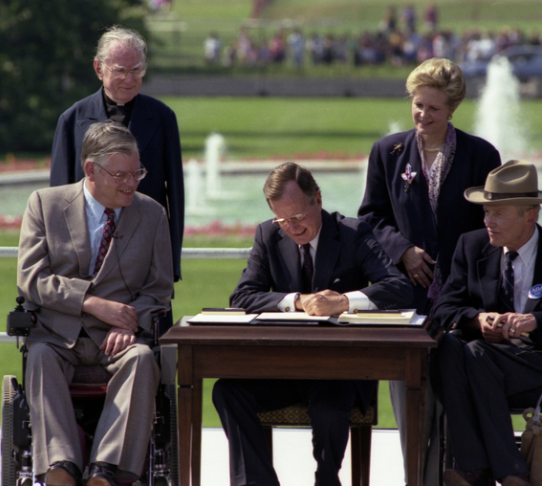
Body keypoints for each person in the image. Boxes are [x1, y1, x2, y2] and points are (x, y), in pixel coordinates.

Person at [212, 162, 412, 486]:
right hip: (283, 368)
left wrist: (344, 301)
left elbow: (398, 288)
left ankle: (326, 480)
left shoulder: (352, 233)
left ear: (317, 199)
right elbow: (243, 296)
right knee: (227, 391)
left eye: (299, 216)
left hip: (339, 369)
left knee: (331, 406)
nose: (292, 227)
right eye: (283, 219)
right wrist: (296, 300)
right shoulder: (268, 234)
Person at [357, 57, 501, 483]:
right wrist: (403, 251)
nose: (422, 115)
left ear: (452, 109)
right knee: (410, 398)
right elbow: (371, 218)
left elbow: (491, 226)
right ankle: (417, 477)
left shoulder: (480, 155)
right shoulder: (388, 152)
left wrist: (461, 275)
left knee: (455, 397)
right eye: (417, 105)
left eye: (433, 109)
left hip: (464, 300)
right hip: (407, 299)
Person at [431, 160, 542, 486]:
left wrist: (536, 321)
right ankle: (500, 470)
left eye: (498, 213)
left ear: (530, 215)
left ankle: (483, 470)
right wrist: (477, 319)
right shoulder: (471, 246)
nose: (488, 221)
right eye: (486, 212)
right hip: (481, 364)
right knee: (451, 348)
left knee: (474, 355)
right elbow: (443, 309)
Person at [18, 122, 174, 486]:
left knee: (141, 360)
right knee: (40, 357)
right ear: (91, 170)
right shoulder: (46, 204)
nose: (131, 183)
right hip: (59, 334)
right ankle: (61, 467)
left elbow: (159, 289)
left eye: (137, 172)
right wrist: (90, 303)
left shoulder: (151, 214)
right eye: (121, 175)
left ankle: (105, 471)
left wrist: (128, 323)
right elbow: (31, 278)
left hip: (119, 339)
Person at [50, 26, 184, 331]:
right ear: (99, 68)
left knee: (150, 348)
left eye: (137, 69)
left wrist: (170, 264)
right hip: (86, 258)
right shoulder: (72, 119)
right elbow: (57, 198)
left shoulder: (163, 117)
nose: (129, 78)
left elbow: (174, 195)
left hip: (144, 253)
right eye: (121, 70)